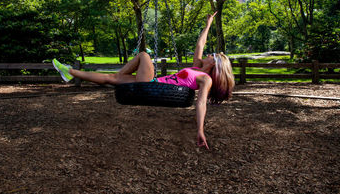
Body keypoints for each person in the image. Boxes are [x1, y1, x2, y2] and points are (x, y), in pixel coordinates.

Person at [52, 12, 235, 149]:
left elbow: (201, 102)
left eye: (213, 55)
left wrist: (200, 129)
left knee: (144, 56)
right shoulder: (197, 66)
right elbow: (199, 44)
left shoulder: (205, 78)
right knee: (111, 77)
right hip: (152, 84)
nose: (209, 54)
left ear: (215, 65)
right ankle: (70, 72)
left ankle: (120, 80)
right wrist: (208, 24)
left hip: (153, 88)